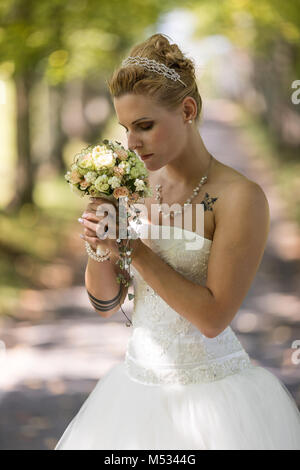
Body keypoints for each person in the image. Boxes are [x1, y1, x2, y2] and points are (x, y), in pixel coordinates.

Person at [55, 33, 300, 450]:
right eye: (126, 128)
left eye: (145, 126)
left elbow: (212, 318)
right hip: (132, 390)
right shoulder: (133, 185)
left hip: (213, 401)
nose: (131, 143)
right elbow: (105, 305)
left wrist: (131, 247)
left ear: (187, 110)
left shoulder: (241, 197)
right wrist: (100, 245)